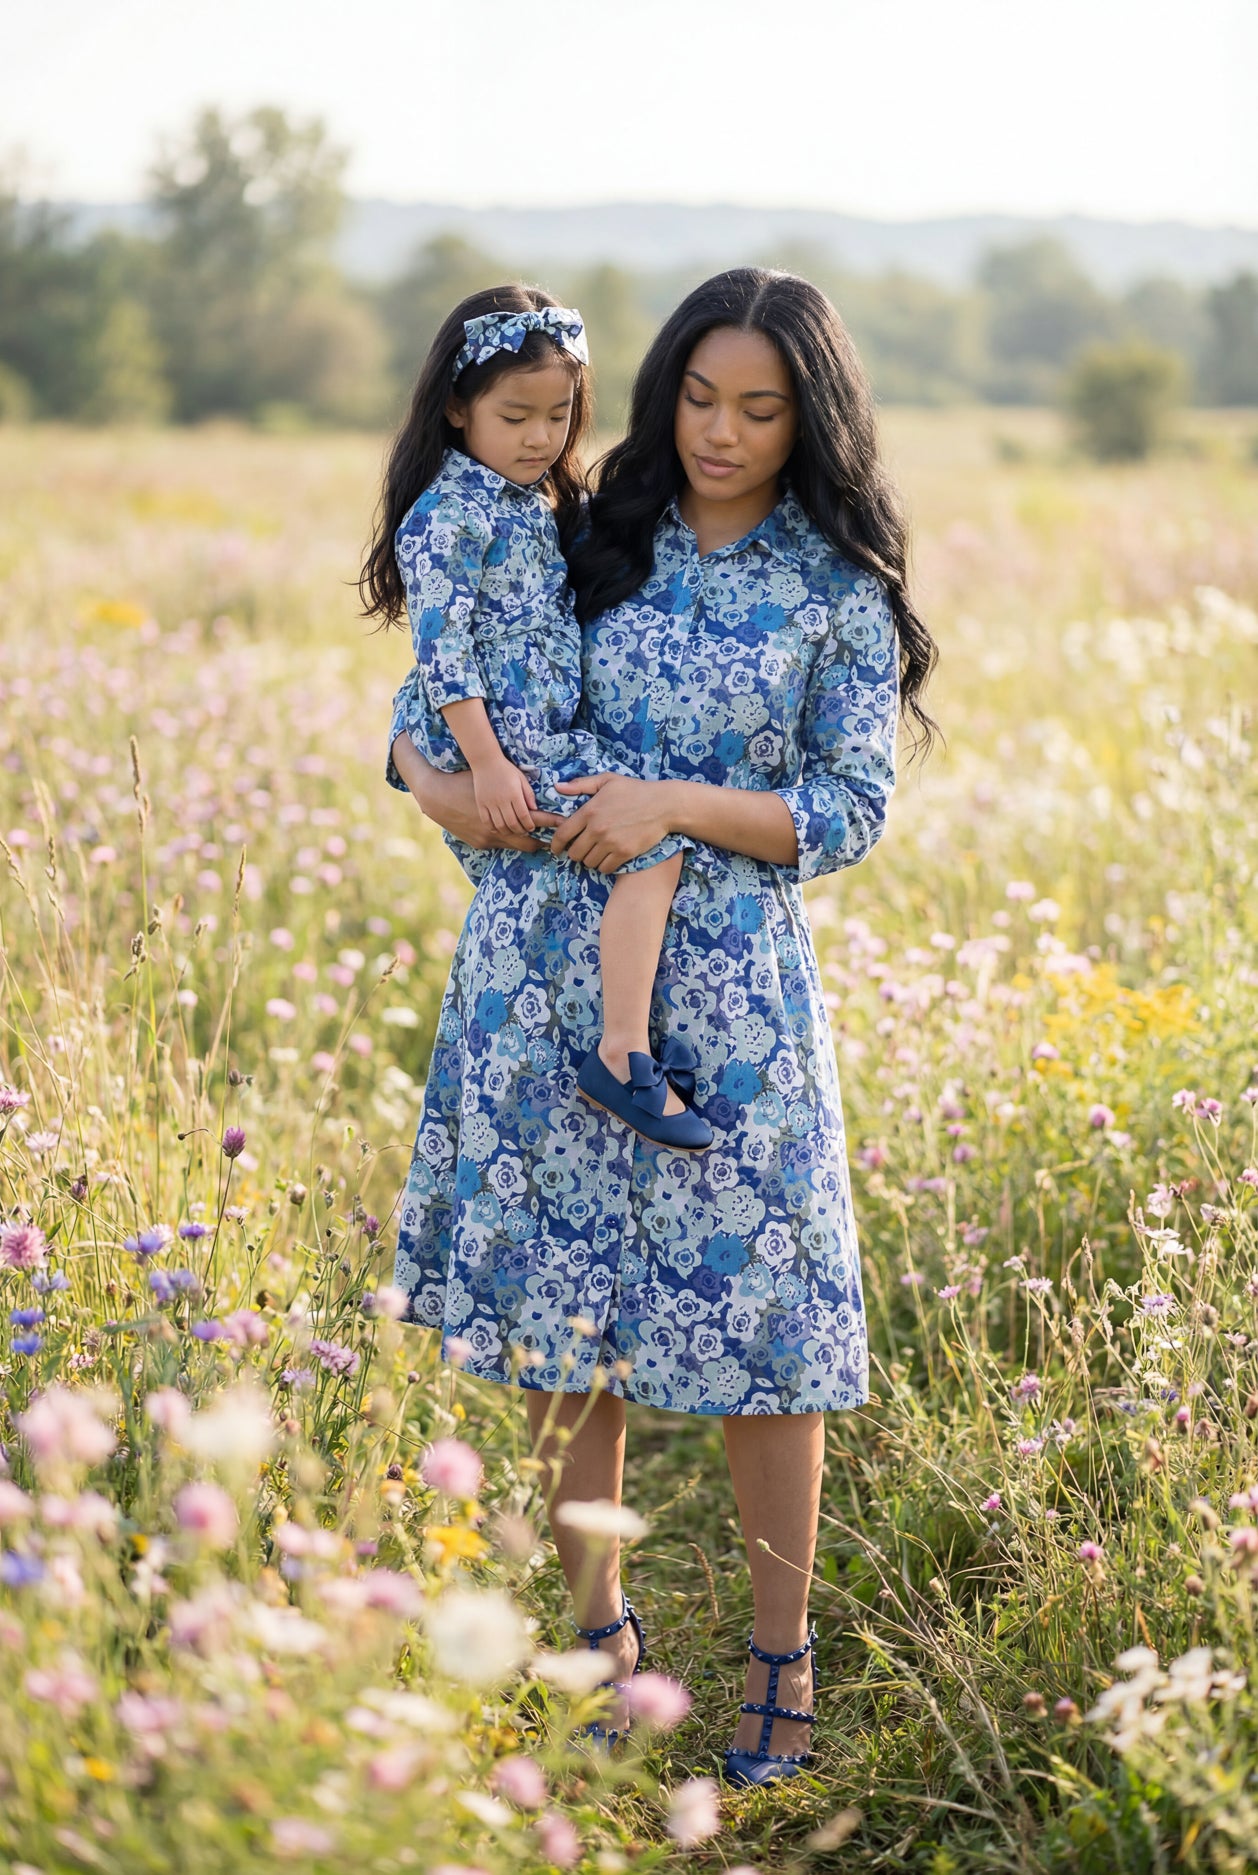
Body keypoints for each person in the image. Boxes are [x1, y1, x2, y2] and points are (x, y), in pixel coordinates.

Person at [387, 267, 937, 1785]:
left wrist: (670, 804)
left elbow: (847, 808)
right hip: (540, 970)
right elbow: (441, 691)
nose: (719, 431)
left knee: (775, 1335)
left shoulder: (836, 588)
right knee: (570, 1324)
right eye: (697, 396)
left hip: (730, 1003)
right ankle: (594, 1636)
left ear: (809, 416)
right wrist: (437, 785)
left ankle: (780, 1658)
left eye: (758, 408)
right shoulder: (586, 524)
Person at [360, 283, 710, 1153]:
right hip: (497, 742)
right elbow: (443, 653)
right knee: (654, 848)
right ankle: (623, 1051)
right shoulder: (446, 515)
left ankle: (615, 1042)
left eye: (558, 415)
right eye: (515, 415)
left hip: (532, 737)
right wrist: (483, 765)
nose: (539, 437)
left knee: (594, 866)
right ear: (454, 407)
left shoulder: (535, 503)